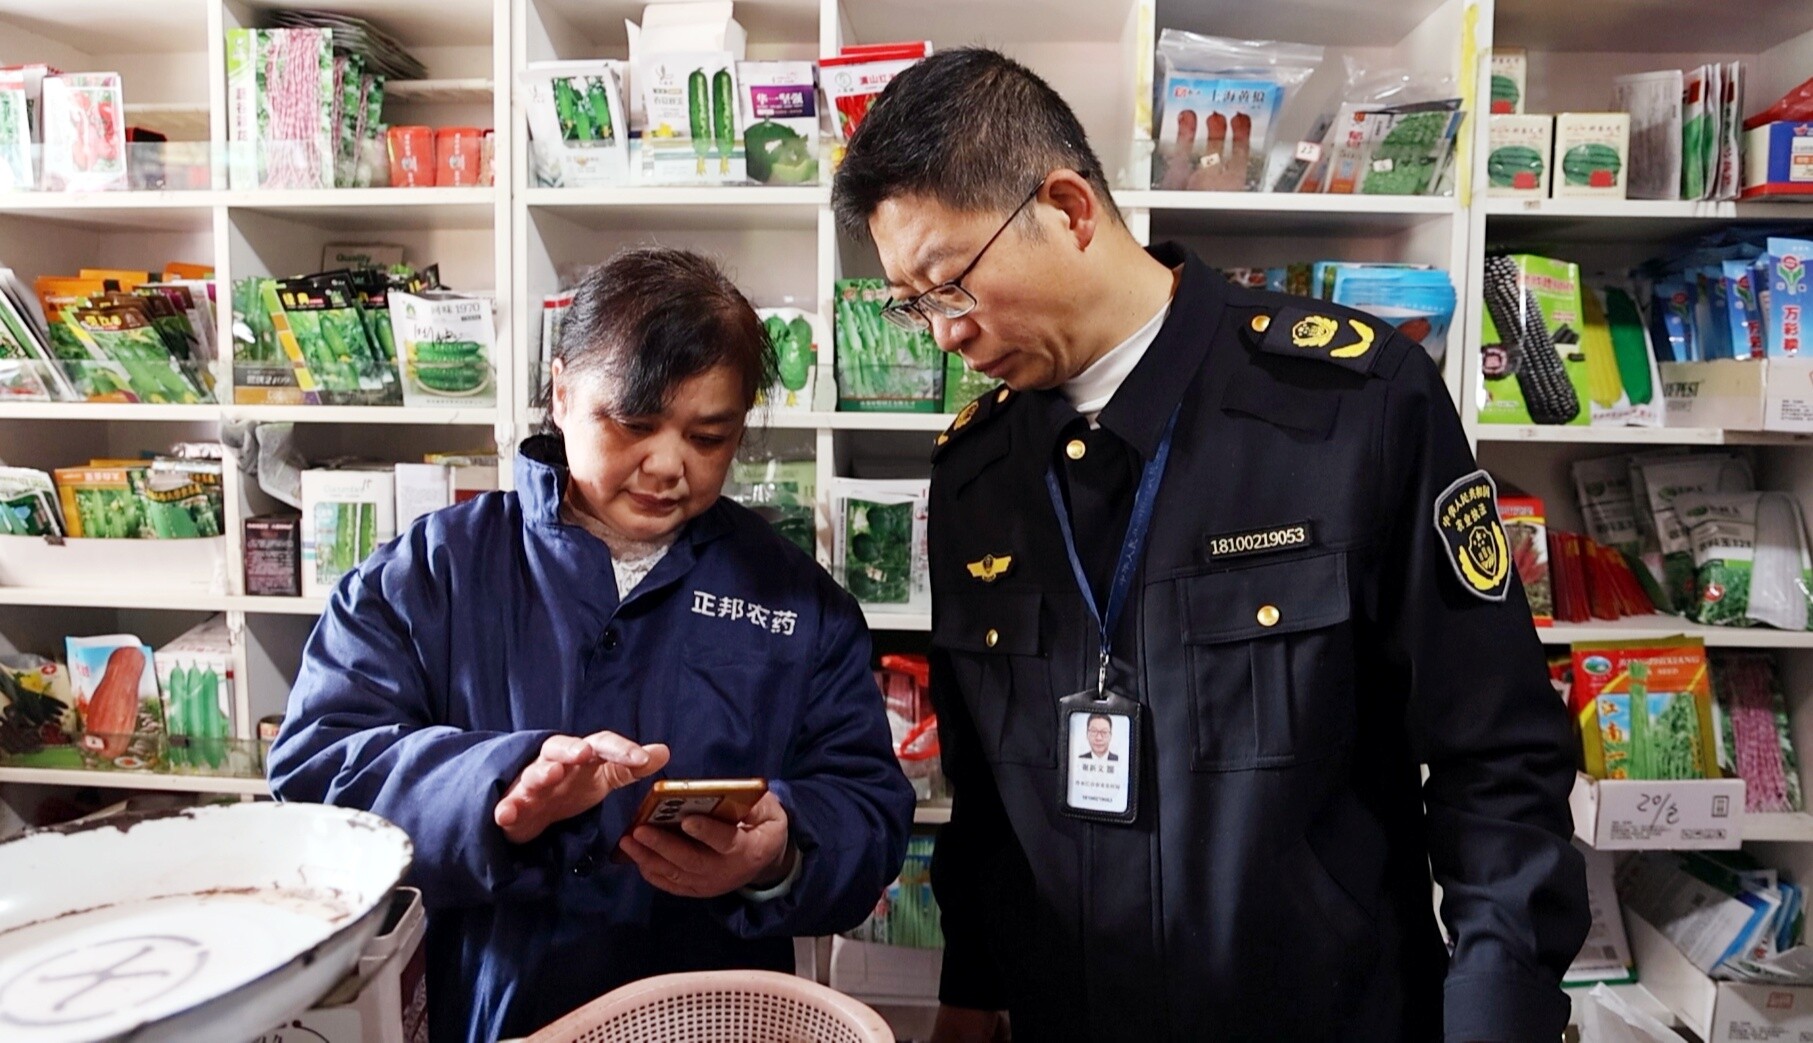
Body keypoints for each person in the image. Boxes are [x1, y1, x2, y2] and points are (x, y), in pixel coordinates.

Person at [833, 49, 1590, 1043]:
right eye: (913, 303)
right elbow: (987, 798)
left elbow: (1496, 756)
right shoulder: (980, 475)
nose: (944, 334)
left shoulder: (1351, 407)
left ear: (1067, 208)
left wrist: (1496, 1013)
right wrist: (970, 993)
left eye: (949, 284)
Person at [268, 247, 916, 1043]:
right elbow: (318, 773)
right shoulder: (430, 573)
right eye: (634, 424)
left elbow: (868, 807)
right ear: (562, 390)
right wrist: (496, 789)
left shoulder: (796, 600)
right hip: (488, 1012)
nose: (668, 465)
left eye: (708, 436)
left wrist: (781, 852)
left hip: (710, 1019)